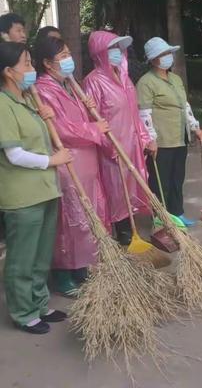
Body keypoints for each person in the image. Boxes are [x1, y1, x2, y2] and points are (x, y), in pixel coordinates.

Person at [0, 42, 72, 334]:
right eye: (26, 64)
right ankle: (22, 311)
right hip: (22, 196)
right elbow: (14, 154)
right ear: (8, 71)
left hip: (45, 189)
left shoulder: (28, 98)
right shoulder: (3, 105)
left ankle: (40, 304)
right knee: (22, 258)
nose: (31, 70)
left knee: (42, 254)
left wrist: (45, 118)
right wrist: (52, 160)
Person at [34, 35, 111, 296]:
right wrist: (93, 128)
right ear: (47, 63)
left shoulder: (69, 84)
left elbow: (76, 118)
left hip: (86, 159)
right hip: (68, 162)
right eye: (62, 56)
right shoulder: (43, 90)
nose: (68, 60)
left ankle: (82, 266)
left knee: (88, 215)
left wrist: (90, 110)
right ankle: (63, 273)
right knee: (69, 219)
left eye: (68, 54)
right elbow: (59, 129)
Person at [84, 31, 156, 245]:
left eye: (119, 49)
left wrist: (145, 138)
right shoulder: (93, 82)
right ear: (100, 53)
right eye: (111, 49)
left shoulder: (124, 78)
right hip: (113, 150)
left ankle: (133, 228)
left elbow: (134, 112)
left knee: (133, 186)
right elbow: (92, 119)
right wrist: (109, 147)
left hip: (133, 144)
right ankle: (123, 232)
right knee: (117, 190)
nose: (117, 53)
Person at [137, 37, 202, 227]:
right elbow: (144, 115)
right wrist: (150, 140)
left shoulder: (175, 79)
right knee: (161, 183)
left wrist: (195, 127)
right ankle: (160, 219)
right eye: (163, 54)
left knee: (177, 179)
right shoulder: (146, 82)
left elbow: (185, 106)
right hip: (161, 142)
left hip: (179, 138)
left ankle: (177, 213)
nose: (168, 57)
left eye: (168, 53)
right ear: (153, 59)